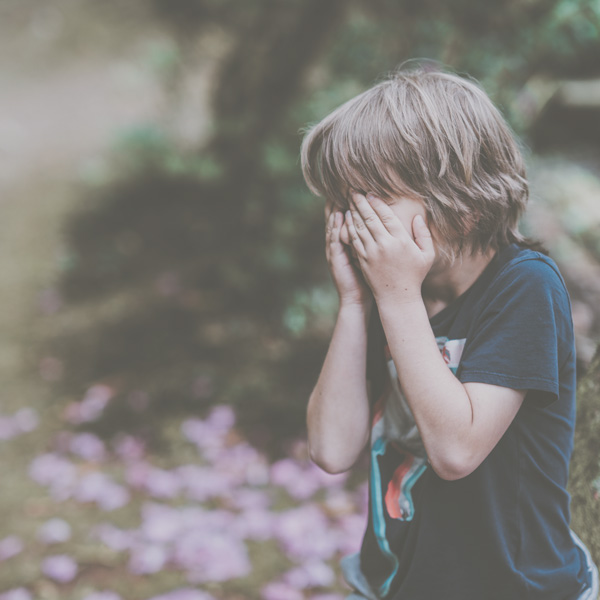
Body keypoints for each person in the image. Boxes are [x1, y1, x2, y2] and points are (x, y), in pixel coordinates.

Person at [300, 62, 599, 600]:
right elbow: (330, 448)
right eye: (345, 202)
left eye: (375, 200)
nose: (357, 221)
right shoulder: (387, 291)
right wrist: (352, 302)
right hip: (394, 582)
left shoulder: (525, 286)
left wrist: (395, 296)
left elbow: (457, 451)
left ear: (459, 202)